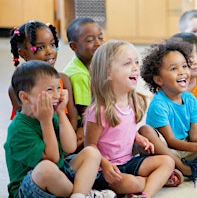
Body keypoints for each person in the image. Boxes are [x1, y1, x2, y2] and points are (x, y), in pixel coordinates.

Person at [4, 60, 115, 198]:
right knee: (46, 168)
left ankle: (79, 195)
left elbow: (70, 147)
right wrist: (45, 122)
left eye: (58, 88)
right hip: (28, 190)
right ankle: (84, 193)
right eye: (50, 90)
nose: (57, 95)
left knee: (91, 153)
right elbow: (52, 159)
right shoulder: (18, 129)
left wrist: (61, 113)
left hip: (59, 175)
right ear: (25, 97)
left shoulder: (51, 114)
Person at [84, 40, 181, 197]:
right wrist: (106, 165)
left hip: (128, 161)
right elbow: (90, 147)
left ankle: (144, 194)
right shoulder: (98, 110)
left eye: (136, 62)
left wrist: (138, 138)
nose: (136, 68)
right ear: (108, 72)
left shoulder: (132, 102)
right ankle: (151, 182)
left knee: (167, 162)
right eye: (127, 64)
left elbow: (124, 130)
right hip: (106, 170)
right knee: (130, 183)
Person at [140, 38, 197, 184]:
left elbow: (195, 134)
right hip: (168, 149)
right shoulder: (159, 104)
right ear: (159, 80)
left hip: (187, 144)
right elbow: (171, 141)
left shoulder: (190, 99)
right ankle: (184, 168)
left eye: (184, 66)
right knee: (145, 131)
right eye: (174, 69)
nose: (182, 72)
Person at [8, 20, 78, 131]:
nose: (50, 51)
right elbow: (22, 125)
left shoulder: (63, 79)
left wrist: (69, 142)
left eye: (52, 44)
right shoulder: (16, 87)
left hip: (64, 141)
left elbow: (73, 118)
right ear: (23, 54)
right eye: (40, 48)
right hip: (36, 141)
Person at [63, 17, 105, 150]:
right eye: (90, 40)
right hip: (82, 122)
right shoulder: (78, 74)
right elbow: (86, 111)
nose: (98, 43)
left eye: (100, 37)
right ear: (73, 46)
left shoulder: (91, 64)